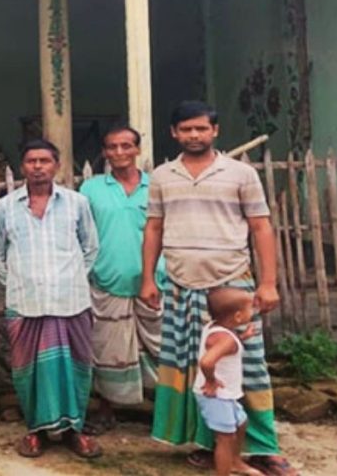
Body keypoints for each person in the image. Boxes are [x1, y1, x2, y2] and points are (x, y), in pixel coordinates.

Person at [142, 101, 295, 476]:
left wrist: (268, 283)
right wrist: (148, 278)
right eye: (186, 129)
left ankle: (263, 447)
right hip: (180, 285)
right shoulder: (162, 176)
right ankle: (209, 443)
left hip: (232, 284)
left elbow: (260, 227)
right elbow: (154, 228)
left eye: (201, 128)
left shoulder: (241, 173)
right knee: (190, 366)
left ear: (215, 131)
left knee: (248, 366)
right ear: (174, 133)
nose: (194, 135)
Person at [0, 138, 102, 460]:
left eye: (45, 161)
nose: (38, 167)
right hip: (26, 304)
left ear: (57, 165)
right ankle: (35, 431)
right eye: (31, 161)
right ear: (22, 166)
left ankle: (75, 430)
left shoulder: (77, 203)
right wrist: (20, 281)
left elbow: (91, 247)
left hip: (71, 303)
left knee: (75, 368)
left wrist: (70, 278)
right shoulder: (5, 208)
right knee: (29, 371)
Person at [78, 126, 165, 432]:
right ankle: (106, 410)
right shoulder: (91, 189)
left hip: (155, 283)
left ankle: (164, 412)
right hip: (106, 280)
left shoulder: (157, 186)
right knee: (107, 348)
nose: (119, 152)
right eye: (112, 147)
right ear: (104, 152)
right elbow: (82, 232)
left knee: (161, 347)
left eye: (126, 146)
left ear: (137, 149)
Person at [195, 288, 263, 476]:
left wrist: (242, 338)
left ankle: (235, 462)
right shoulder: (226, 340)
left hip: (226, 395)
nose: (253, 311)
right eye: (250, 308)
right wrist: (211, 381)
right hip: (217, 396)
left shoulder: (216, 328)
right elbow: (207, 362)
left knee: (241, 423)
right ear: (238, 316)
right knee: (225, 438)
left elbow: (223, 347)